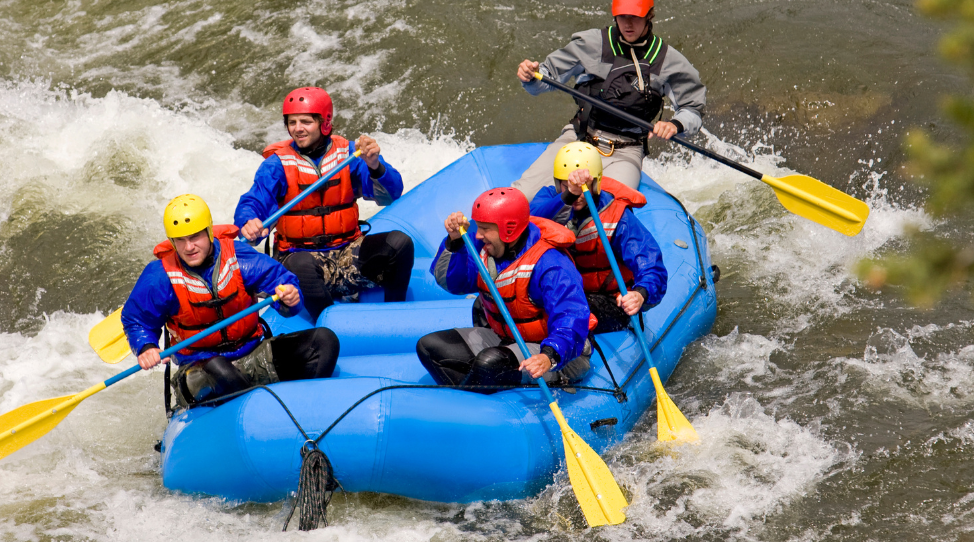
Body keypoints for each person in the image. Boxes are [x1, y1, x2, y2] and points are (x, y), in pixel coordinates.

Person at [123, 194, 339, 409]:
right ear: (172, 241)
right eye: (180, 240)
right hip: (200, 368)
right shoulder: (160, 276)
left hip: (252, 354)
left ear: (209, 232)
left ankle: (304, 411)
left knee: (323, 341)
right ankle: (253, 414)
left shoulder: (237, 256)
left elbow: (279, 280)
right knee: (221, 370)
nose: (189, 247)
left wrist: (290, 297)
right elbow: (136, 320)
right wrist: (146, 346)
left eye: (195, 236)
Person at [511, 0, 707, 199]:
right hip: (579, 138)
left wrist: (674, 125)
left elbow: (693, 110)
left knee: (608, 211)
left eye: (636, 16)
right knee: (520, 198)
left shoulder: (669, 61)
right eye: (623, 16)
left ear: (649, 16)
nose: (628, 24)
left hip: (626, 153)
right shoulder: (591, 43)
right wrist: (530, 77)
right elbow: (546, 78)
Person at [234, 86, 415, 321]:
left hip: (348, 251)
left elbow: (391, 195)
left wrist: (374, 166)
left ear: (324, 122)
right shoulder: (276, 165)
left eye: (306, 121)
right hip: (302, 256)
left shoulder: (351, 154)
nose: (297, 129)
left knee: (399, 243)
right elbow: (253, 201)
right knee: (299, 266)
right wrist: (248, 220)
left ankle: (395, 315)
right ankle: (331, 325)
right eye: (292, 122)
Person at [415, 187, 595, 392]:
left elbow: (571, 316)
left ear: (508, 229)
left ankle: (474, 394)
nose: (479, 235)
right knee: (429, 347)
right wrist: (454, 242)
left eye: (484, 228)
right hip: (507, 341)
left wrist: (550, 355)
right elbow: (452, 283)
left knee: (489, 364)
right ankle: (472, 397)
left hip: (557, 353)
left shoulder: (551, 263)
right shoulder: (485, 250)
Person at [531, 142, 667, 333]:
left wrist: (640, 294)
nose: (578, 194)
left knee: (573, 307)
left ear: (596, 183)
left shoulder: (617, 217)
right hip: (564, 291)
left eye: (584, 187)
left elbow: (651, 265)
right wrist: (568, 195)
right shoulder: (548, 199)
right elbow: (531, 223)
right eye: (567, 186)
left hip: (607, 300)